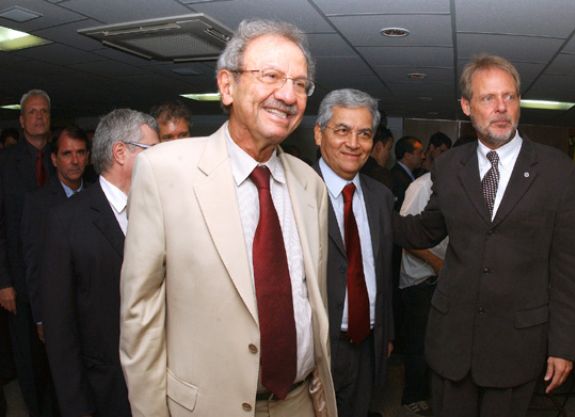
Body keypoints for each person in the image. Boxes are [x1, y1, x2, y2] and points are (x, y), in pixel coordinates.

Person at [120, 18, 337, 417]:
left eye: (300, 83)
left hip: (299, 401)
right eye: (271, 76)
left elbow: (310, 301)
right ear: (227, 85)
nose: (287, 95)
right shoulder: (163, 171)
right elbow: (141, 317)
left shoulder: (310, 185)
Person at [393, 54, 575, 417]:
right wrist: (368, 209)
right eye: (488, 98)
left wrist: (563, 345)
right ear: (466, 106)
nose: (501, 107)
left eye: (509, 96)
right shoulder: (450, 166)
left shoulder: (558, 172)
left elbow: (568, 270)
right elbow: (426, 229)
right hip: (452, 341)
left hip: (517, 343)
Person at [41, 109, 158, 417]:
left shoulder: (159, 209)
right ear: (121, 153)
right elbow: (60, 328)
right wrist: (76, 406)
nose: (160, 159)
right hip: (104, 387)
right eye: (152, 150)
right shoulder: (66, 221)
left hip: (158, 382)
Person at [313, 89, 394, 417]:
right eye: (342, 130)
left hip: (367, 346)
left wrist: (386, 333)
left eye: (364, 134)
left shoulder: (381, 197)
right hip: (315, 350)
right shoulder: (295, 191)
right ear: (319, 134)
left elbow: (383, 271)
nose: (353, 143)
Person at [0, 89, 57, 417]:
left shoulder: (62, 157)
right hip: (19, 282)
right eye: (32, 112)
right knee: (28, 359)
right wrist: (3, 281)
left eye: (44, 112)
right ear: (21, 121)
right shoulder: (5, 163)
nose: (39, 117)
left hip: (56, 275)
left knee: (57, 358)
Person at [398, 132, 452, 417]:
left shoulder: (452, 188)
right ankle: (412, 397)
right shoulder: (420, 187)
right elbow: (404, 236)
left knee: (436, 343)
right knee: (418, 343)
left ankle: (429, 394)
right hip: (419, 280)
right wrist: (436, 263)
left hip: (440, 280)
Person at [21, 126, 91, 339]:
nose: (75, 161)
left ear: (88, 157)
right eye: (67, 154)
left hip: (96, 308)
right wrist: (40, 317)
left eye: (80, 153)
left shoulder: (99, 195)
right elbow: (34, 263)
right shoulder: (37, 203)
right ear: (54, 159)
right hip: (58, 310)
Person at [390, 136, 424, 211]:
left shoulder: (414, 174)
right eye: (420, 153)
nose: (423, 156)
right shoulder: (396, 178)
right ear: (407, 155)